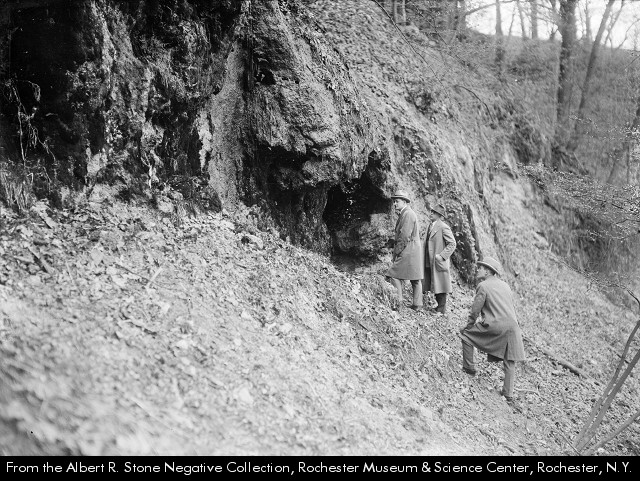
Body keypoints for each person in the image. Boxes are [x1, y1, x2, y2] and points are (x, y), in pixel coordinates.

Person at [458, 256, 526, 402]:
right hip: (513, 327)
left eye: (481, 268)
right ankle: (508, 394)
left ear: (488, 272)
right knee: (510, 360)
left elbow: (475, 311)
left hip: (496, 325)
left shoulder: (483, 286)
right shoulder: (505, 286)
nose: (478, 269)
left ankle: (469, 368)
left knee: (466, 336)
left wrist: (468, 326)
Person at [386, 189, 423, 311]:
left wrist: (397, 251)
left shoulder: (407, 214)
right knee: (415, 278)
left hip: (408, 249)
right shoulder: (407, 213)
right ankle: (417, 304)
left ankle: (398, 302)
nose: (394, 204)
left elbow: (404, 235)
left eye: (397, 201)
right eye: (394, 201)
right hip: (414, 249)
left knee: (393, 274)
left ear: (404, 202)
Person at [423, 202, 456, 314]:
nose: (431, 213)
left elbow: (452, 243)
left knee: (441, 283)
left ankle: (441, 309)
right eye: (431, 211)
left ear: (440, 216)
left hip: (438, 260)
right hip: (429, 259)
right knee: (434, 282)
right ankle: (438, 308)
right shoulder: (430, 226)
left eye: (434, 212)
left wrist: (442, 256)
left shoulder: (443, 227)